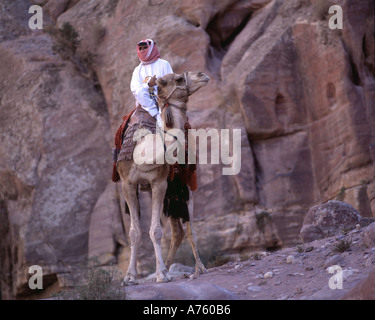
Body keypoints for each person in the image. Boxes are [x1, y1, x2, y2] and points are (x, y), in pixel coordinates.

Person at [130, 39, 173, 126]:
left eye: (145, 47)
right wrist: (148, 85)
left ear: (152, 48)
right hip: (147, 104)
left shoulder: (163, 64)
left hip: (163, 100)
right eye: (140, 48)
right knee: (139, 92)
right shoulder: (137, 70)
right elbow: (135, 90)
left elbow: (171, 83)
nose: (142, 51)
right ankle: (156, 115)